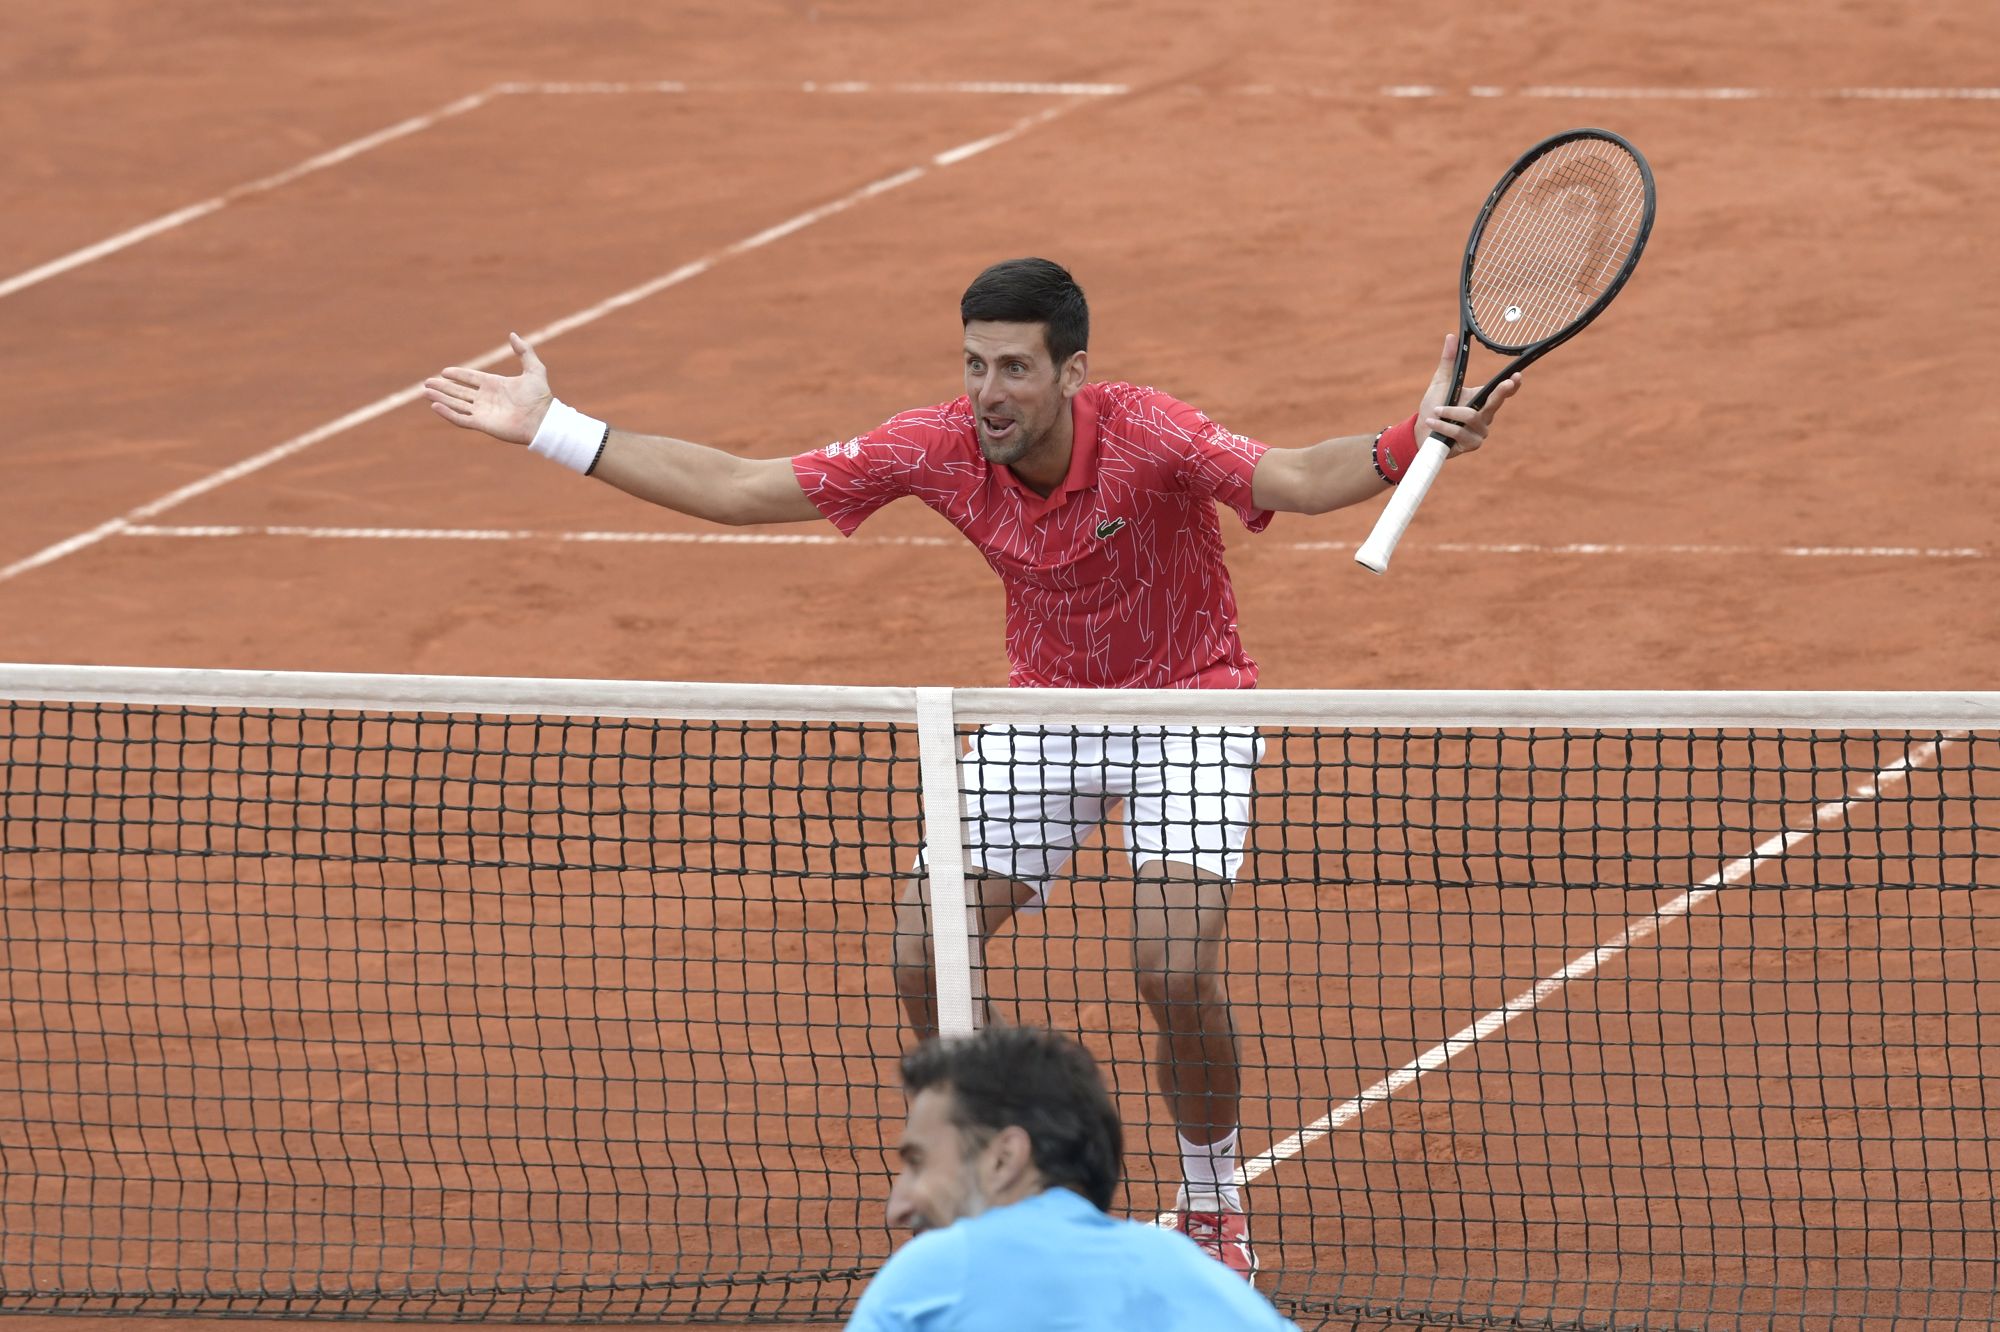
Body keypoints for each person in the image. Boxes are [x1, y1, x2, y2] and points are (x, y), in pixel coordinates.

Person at [423, 257, 1520, 1277]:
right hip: (1039, 715)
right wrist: (551, 428)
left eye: (1012, 368)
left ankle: (1212, 1197)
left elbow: (1293, 473)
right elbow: (739, 487)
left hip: (1187, 707)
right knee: (921, 950)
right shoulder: (936, 445)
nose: (987, 390)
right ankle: (995, 1188)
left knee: (1171, 969)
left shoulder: (1148, 432)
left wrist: (1399, 441)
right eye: (973, 363)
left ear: (1068, 372)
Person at [850, 1023, 1298, 1329]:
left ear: (1004, 1159)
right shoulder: (1185, 1271)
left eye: (920, 1163)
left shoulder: (934, 1273)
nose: (898, 1207)